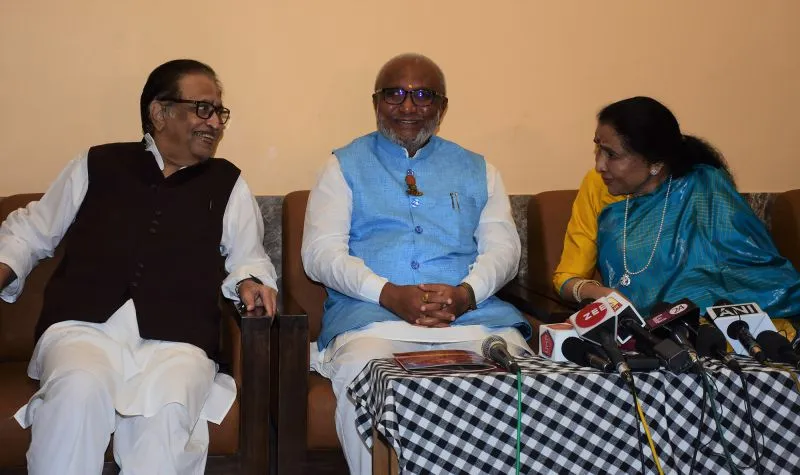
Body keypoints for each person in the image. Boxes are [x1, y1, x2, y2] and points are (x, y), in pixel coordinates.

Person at [0, 59, 278, 475]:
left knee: (167, 411)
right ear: (159, 112)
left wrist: (251, 282)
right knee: (77, 390)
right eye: (203, 108)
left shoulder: (229, 183)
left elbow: (248, 257)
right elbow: (31, 230)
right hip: (84, 328)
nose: (216, 122)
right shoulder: (96, 164)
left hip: (178, 340)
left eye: (220, 111)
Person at [302, 53, 532, 474]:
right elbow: (320, 254)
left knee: (520, 376)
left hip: (472, 321)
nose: (408, 107)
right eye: (395, 94)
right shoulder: (342, 166)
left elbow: (504, 250)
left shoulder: (480, 170)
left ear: (442, 108)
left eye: (423, 95)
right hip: (372, 321)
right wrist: (387, 294)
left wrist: (467, 294)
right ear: (376, 102)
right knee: (361, 372)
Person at [554, 96, 800, 331]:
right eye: (597, 148)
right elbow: (567, 278)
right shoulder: (596, 186)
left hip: (711, 328)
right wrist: (595, 292)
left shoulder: (705, 187)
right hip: (637, 334)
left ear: (655, 164)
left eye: (612, 155)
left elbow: (751, 269)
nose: (599, 165)